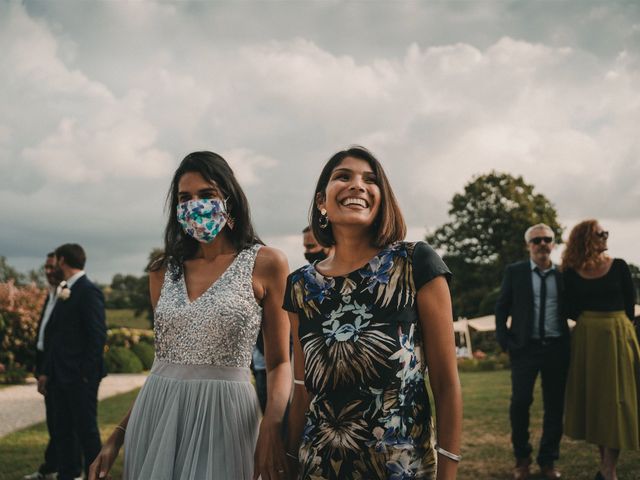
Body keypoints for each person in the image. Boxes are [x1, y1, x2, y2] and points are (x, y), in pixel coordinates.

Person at [88, 151, 292, 480]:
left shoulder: (267, 263)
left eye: (207, 194)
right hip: (156, 415)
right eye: (185, 197)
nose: (195, 204)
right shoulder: (161, 272)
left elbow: (280, 362)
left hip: (226, 417)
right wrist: (117, 436)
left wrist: (271, 423)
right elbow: (163, 363)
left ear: (230, 198)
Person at [283, 146, 462, 479]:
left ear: (382, 199)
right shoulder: (299, 286)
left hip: (400, 467)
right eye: (343, 177)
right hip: (320, 467)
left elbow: (446, 382)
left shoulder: (416, 264)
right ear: (322, 201)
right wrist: (290, 458)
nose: (357, 185)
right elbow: (302, 386)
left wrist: (448, 468)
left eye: (370, 179)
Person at [561, 220, 639, 480]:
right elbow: (569, 307)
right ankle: (606, 466)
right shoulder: (570, 272)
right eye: (600, 233)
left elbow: (630, 305)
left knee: (618, 401)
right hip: (588, 341)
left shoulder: (619, 266)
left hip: (618, 336)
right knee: (598, 402)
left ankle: (609, 469)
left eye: (606, 232)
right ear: (585, 238)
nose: (606, 236)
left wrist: (614, 326)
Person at [495, 224, 571, 480]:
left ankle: (548, 461)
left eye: (547, 239)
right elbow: (501, 308)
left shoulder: (564, 274)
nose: (542, 244)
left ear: (553, 243)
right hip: (524, 350)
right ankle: (522, 459)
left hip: (556, 349)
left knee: (554, 406)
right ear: (528, 245)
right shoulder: (515, 272)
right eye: (536, 240)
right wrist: (506, 342)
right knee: (520, 403)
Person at [40, 243, 107, 480]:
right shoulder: (64, 290)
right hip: (59, 377)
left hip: (80, 377)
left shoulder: (89, 291)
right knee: (63, 431)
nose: (53, 266)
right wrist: (47, 372)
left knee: (86, 430)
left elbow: (97, 336)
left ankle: (95, 475)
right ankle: (67, 475)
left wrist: (85, 374)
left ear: (63, 261)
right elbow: (56, 337)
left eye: (55, 261)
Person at [25, 253, 81, 480]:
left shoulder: (69, 294)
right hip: (45, 363)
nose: (48, 271)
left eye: (52, 267)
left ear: (62, 266)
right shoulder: (51, 295)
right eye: (46, 268)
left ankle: (68, 470)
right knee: (55, 421)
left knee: (66, 423)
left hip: (62, 368)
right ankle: (53, 466)